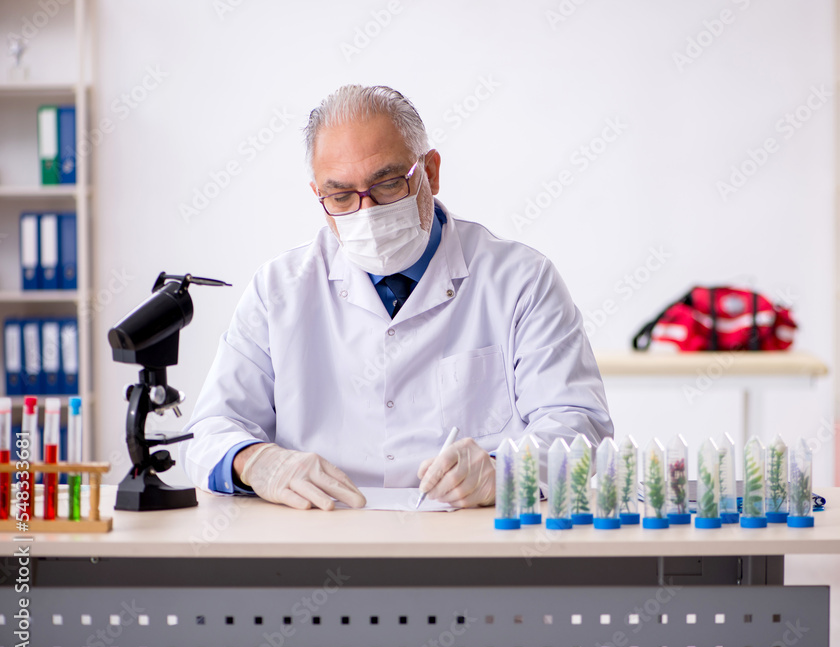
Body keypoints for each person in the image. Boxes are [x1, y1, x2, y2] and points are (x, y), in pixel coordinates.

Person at [180, 85, 613, 510]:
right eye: (341, 196)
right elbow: (211, 430)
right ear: (319, 196)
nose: (367, 213)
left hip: (469, 534)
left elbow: (578, 423)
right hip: (320, 533)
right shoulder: (279, 289)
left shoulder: (520, 280)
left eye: (387, 184)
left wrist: (504, 472)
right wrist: (255, 461)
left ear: (431, 172)